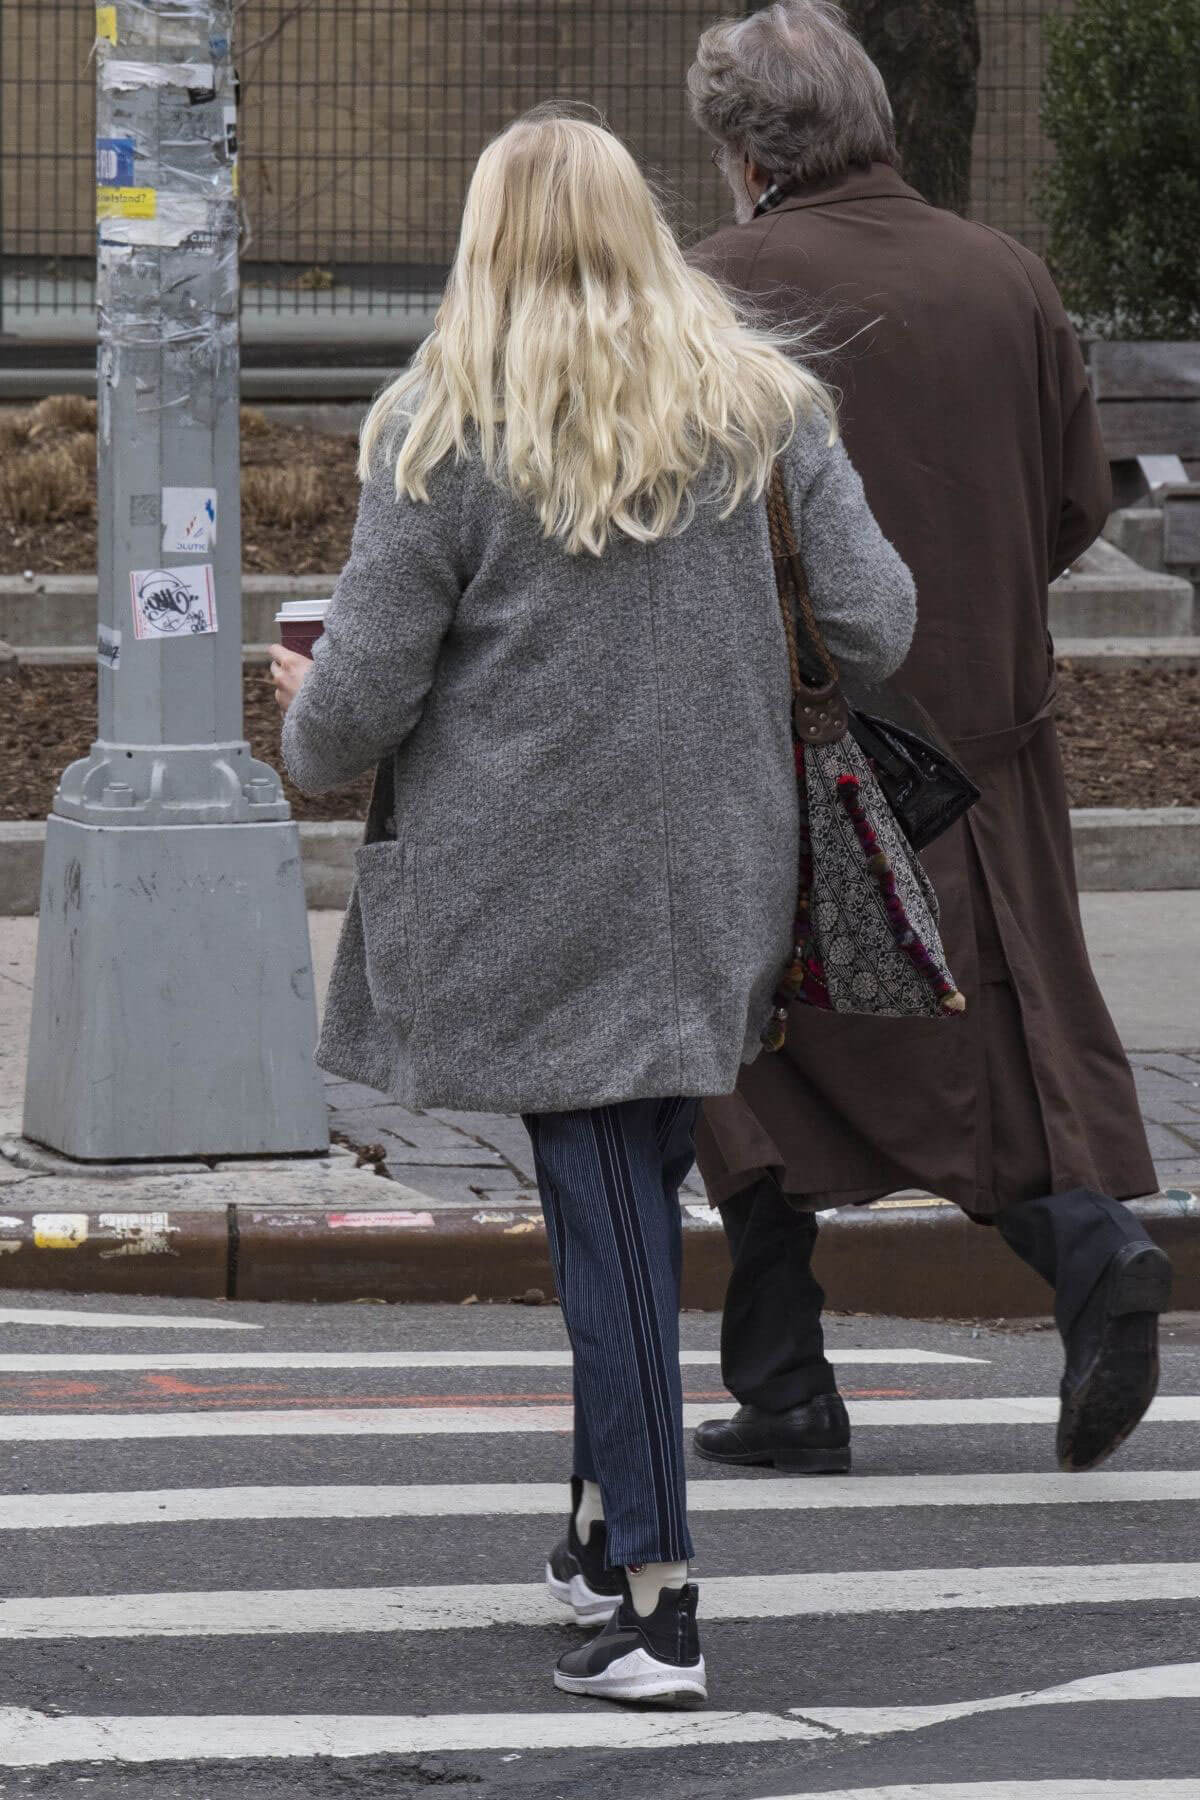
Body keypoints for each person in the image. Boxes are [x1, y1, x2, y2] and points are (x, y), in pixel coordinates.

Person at [271, 108, 915, 1707]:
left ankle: (656, 1594)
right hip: (716, 865)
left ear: (489, 239)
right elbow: (880, 625)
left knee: (606, 1216)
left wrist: (297, 703)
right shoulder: (761, 405)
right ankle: (590, 1526)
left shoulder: (444, 423)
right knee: (620, 1184)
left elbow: (351, 711)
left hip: (519, 881)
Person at [685, 0, 1172, 1482]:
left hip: (794, 734)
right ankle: (1080, 1251)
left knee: (737, 1033)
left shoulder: (711, 293)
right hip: (987, 734)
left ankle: (791, 1377)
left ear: (748, 149)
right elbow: (1080, 504)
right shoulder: (1005, 275)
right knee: (982, 1035)